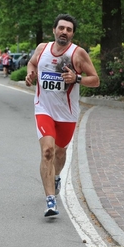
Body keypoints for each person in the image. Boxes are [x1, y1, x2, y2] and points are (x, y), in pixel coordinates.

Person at [25, 14, 99, 217]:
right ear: (54, 30)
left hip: (67, 114)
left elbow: (95, 80)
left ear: (72, 34)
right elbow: (32, 64)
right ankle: (50, 200)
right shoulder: (42, 49)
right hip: (44, 109)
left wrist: (77, 78)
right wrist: (30, 74)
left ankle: (55, 176)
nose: (64, 32)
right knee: (48, 151)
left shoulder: (78, 54)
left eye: (69, 29)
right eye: (61, 28)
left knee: (60, 152)